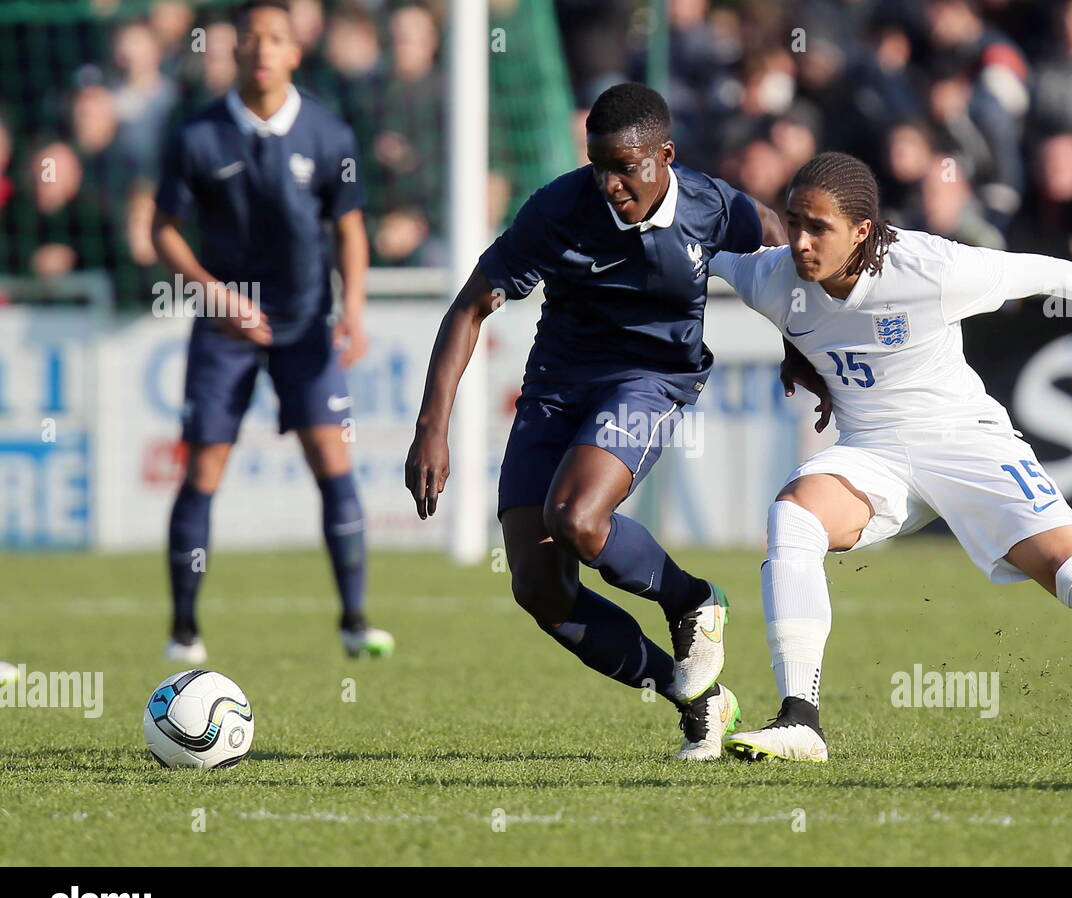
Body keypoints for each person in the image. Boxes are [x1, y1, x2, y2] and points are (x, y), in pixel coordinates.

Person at [711, 151, 1072, 764]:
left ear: (863, 231)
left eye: (818, 227)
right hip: (871, 455)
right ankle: (801, 720)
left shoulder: (928, 268)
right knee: (793, 518)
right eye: (793, 222)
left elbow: (1043, 273)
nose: (799, 241)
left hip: (966, 444)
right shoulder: (773, 276)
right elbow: (683, 245)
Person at [404, 82, 786, 760]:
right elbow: (469, 306)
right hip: (556, 388)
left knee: (577, 518)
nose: (610, 183)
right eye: (599, 166)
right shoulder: (558, 210)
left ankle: (693, 599)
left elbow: (783, 247)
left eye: (627, 167)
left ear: (665, 155)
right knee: (539, 588)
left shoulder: (710, 205)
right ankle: (695, 696)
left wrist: (802, 346)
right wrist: (432, 426)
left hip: (651, 381)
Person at [152, 0, 392, 663]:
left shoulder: (328, 134)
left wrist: (356, 311)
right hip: (226, 324)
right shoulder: (197, 136)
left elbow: (349, 228)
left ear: (295, 52)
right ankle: (183, 631)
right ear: (234, 51)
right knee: (204, 464)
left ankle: (353, 622)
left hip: (308, 323)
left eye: (276, 38)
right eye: (251, 38)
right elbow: (162, 229)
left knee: (332, 460)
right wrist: (215, 295)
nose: (262, 48)